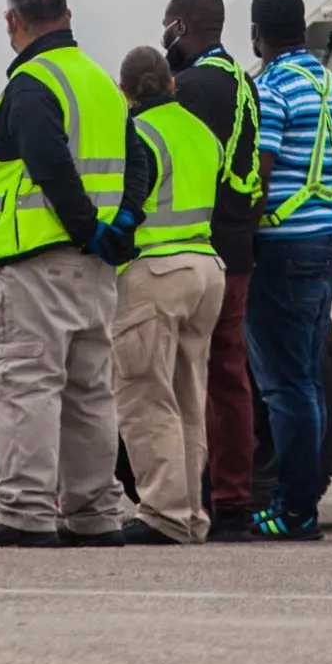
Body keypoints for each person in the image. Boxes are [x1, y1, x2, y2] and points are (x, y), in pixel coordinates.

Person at [0, 0, 130, 547]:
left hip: (33, 264)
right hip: (93, 268)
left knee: (24, 385)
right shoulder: (101, 83)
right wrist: (114, 230)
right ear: (69, 16)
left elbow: (49, 163)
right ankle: (96, 513)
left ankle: (26, 512)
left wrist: (81, 227)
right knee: (90, 391)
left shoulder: (30, 85)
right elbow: (141, 157)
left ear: (12, 21)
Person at [241, 0, 332, 541]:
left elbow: (261, 171)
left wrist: (247, 231)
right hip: (330, 240)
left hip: (282, 246)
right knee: (308, 379)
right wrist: (323, 206)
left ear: (256, 34)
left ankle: (295, 511)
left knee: (284, 386)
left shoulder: (269, 88)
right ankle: (302, 505)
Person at [110, 46, 228, 545]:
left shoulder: (135, 134)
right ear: (172, 84)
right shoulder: (203, 132)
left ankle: (161, 511)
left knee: (145, 395)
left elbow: (125, 200)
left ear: (124, 92)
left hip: (155, 271)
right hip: (206, 271)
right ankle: (189, 512)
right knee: (188, 397)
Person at [158, 0, 263, 534]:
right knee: (229, 377)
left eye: (167, 24)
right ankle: (235, 504)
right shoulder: (244, 83)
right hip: (239, 249)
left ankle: (181, 500)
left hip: (193, 246)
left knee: (177, 377)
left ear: (180, 26)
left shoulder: (187, 87)